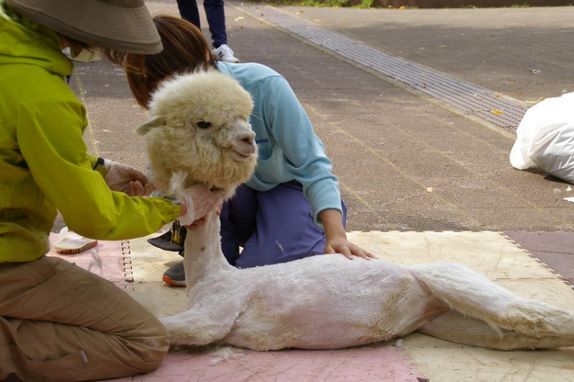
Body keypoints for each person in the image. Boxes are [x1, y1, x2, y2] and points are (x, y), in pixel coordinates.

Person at [0, 1, 218, 380]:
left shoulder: (14, 53)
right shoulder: (40, 93)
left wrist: (98, 170)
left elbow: (19, 151)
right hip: (8, 258)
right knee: (144, 339)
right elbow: (95, 217)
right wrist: (175, 206)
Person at [113, 15, 375, 287]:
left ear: (204, 56)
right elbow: (169, 170)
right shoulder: (172, 106)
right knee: (213, 274)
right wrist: (151, 194)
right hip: (233, 196)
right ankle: (214, 254)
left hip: (290, 189)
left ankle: (299, 235)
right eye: (157, 89)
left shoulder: (263, 84)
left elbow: (313, 165)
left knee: (256, 278)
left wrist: (337, 235)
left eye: (177, 79)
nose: (169, 92)